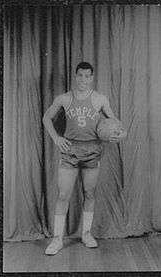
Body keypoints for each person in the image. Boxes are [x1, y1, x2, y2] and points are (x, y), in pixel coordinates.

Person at [43, 62, 126, 255]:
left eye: (87, 76)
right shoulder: (64, 98)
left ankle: (86, 234)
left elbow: (116, 125)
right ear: (75, 76)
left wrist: (120, 134)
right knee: (63, 195)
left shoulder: (100, 99)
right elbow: (47, 117)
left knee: (90, 193)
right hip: (70, 149)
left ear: (92, 77)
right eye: (80, 75)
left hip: (92, 150)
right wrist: (56, 138)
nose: (83, 80)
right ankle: (57, 239)